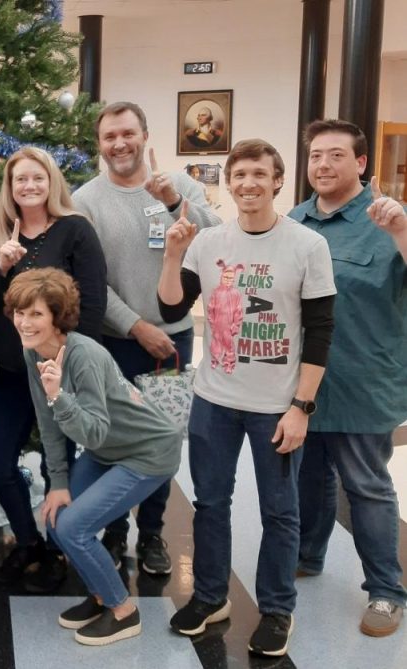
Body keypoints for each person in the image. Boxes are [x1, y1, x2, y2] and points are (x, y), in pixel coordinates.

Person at [157, 139, 336, 656]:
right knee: (211, 503)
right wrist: (172, 255)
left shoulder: (306, 246)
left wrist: (301, 406)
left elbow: (321, 331)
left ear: (278, 181)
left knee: (280, 511)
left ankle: (277, 610)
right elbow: (171, 304)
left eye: (260, 174)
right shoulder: (209, 241)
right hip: (214, 399)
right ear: (228, 183)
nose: (249, 184)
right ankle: (211, 596)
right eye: (239, 175)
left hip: (276, 406)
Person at [73, 101, 221, 575]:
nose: (119, 143)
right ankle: (115, 532)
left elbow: (220, 241)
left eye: (127, 134)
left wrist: (176, 201)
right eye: (109, 136)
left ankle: (153, 533)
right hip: (112, 341)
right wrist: (136, 327)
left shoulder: (181, 187)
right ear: (100, 144)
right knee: (113, 439)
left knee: (162, 439)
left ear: (144, 135)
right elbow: (91, 283)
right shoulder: (85, 201)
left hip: (174, 340)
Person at [5, 267, 181, 646]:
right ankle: (101, 594)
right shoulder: (32, 350)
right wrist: (59, 484)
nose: (25, 321)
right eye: (20, 312)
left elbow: (93, 430)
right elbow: (48, 425)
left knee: (73, 528)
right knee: (57, 519)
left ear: (57, 316)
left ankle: (122, 611)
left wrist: (58, 396)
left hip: (148, 451)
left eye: (36, 313)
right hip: (108, 449)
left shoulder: (83, 355)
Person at [289, 119, 407, 637]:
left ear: (361, 163)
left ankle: (386, 591)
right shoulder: (294, 220)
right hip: (302, 386)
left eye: (336, 155)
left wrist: (401, 232)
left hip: (361, 380)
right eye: (316, 156)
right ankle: (308, 555)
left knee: (366, 487)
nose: (323, 165)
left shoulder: (386, 221)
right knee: (309, 478)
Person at [0, 147, 107, 591]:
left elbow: (91, 303)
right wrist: (1, 268)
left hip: (60, 372)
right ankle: (28, 541)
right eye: (19, 180)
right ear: (9, 188)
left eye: (37, 178)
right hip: (14, 373)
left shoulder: (75, 231)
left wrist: (68, 364)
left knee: (60, 469)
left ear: (51, 182)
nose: (28, 186)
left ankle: (58, 546)